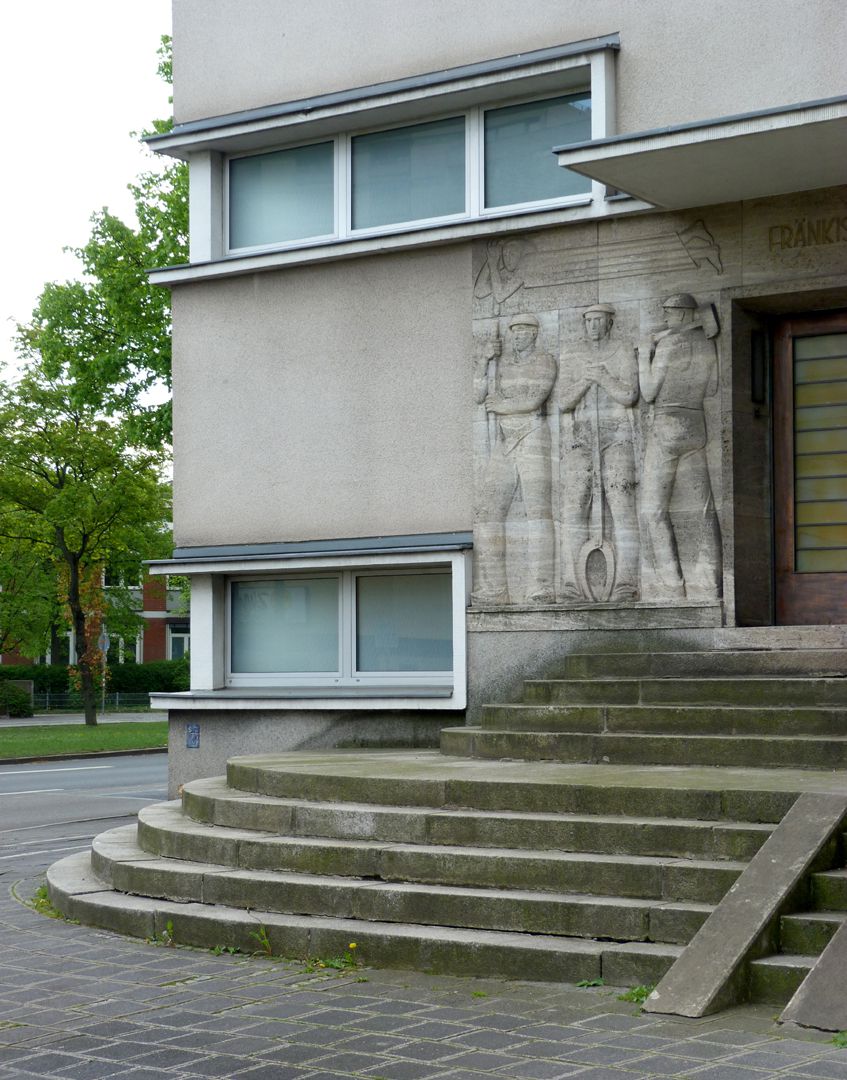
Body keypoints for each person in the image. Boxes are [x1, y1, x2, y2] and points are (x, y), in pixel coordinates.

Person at [638, 293, 721, 599]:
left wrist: (643, 354)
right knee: (703, 510)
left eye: (670, 313)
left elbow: (647, 392)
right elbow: (712, 387)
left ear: (684, 315)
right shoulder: (706, 343)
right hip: (696, 425)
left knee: (652, 510)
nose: (667, 318)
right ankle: (710, 585)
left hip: (667, 426)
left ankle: (671, 586)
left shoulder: (670, 345)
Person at [473, 313, 556, 605]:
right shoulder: (503, 364)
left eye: (522, 331)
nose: (516, 336)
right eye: (513, 332)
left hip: (533, 435)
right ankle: (496, 590)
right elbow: (479, 395)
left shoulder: (544, 360)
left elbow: (535, 400)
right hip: (505, 440)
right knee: (487, 514)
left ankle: (541, 587)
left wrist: (503, 406)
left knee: (537, 513)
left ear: (534, 333)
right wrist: (484, 361)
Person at [558, 304, 639, 601]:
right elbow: (563, 401)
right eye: (589, 321)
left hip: (616, 436)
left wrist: (603, 377)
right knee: (573, 508)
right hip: (581, 440)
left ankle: (626, 583)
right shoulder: (572, 354)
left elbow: (630, 394)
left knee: (621, 506)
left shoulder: (621, 350)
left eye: (599, 321)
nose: (593, 326)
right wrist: (585, 379)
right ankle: (571, 583)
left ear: (609, 323)